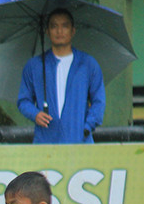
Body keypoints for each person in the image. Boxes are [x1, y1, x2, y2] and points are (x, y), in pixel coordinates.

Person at [17, 8, 105, 144]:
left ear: (73, 31)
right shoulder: (34, 66)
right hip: (45, 142)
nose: (59, 31)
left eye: (65, 26)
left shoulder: (88, 64)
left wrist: (87, 127)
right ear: (47, 31)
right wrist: (35, 114)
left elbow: (98, 101)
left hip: (80, 142)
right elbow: (23, 100)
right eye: (54, 26)